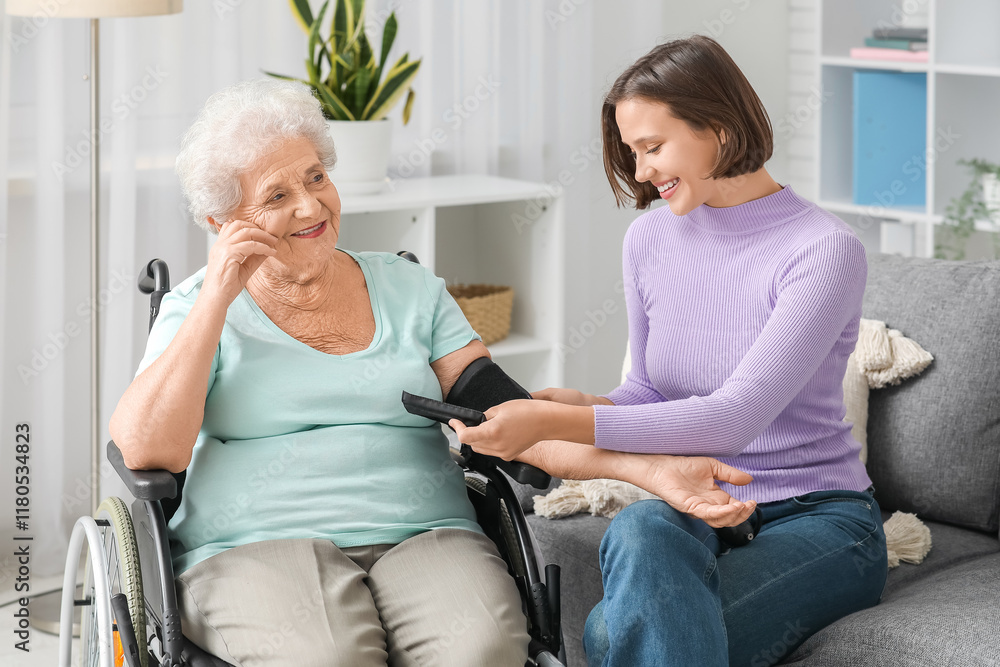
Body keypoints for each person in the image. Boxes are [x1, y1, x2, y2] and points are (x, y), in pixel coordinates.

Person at [109, 77, 758, 667]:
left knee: (481, 650)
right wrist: (218, 299)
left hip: (423, 530)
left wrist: (647, 469)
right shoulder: (197, 306)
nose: (311, 208)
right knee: (324, 655)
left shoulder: (410, 290)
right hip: (255, 542)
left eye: (315, 178)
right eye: (278, 195)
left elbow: (511, 415)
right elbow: (146, 449)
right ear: (225, 222)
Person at [451, 35, 889, 666]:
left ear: (718, 126)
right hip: (694, 501)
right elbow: (654, 394)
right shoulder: (650, 239)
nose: (640, 172)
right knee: (637, 526)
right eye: (632, 153)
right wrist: (591, 402)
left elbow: (729, 420)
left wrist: (555, 422)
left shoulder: (822, 250)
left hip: (817, 517)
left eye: (653, 147)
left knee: (611, 635)